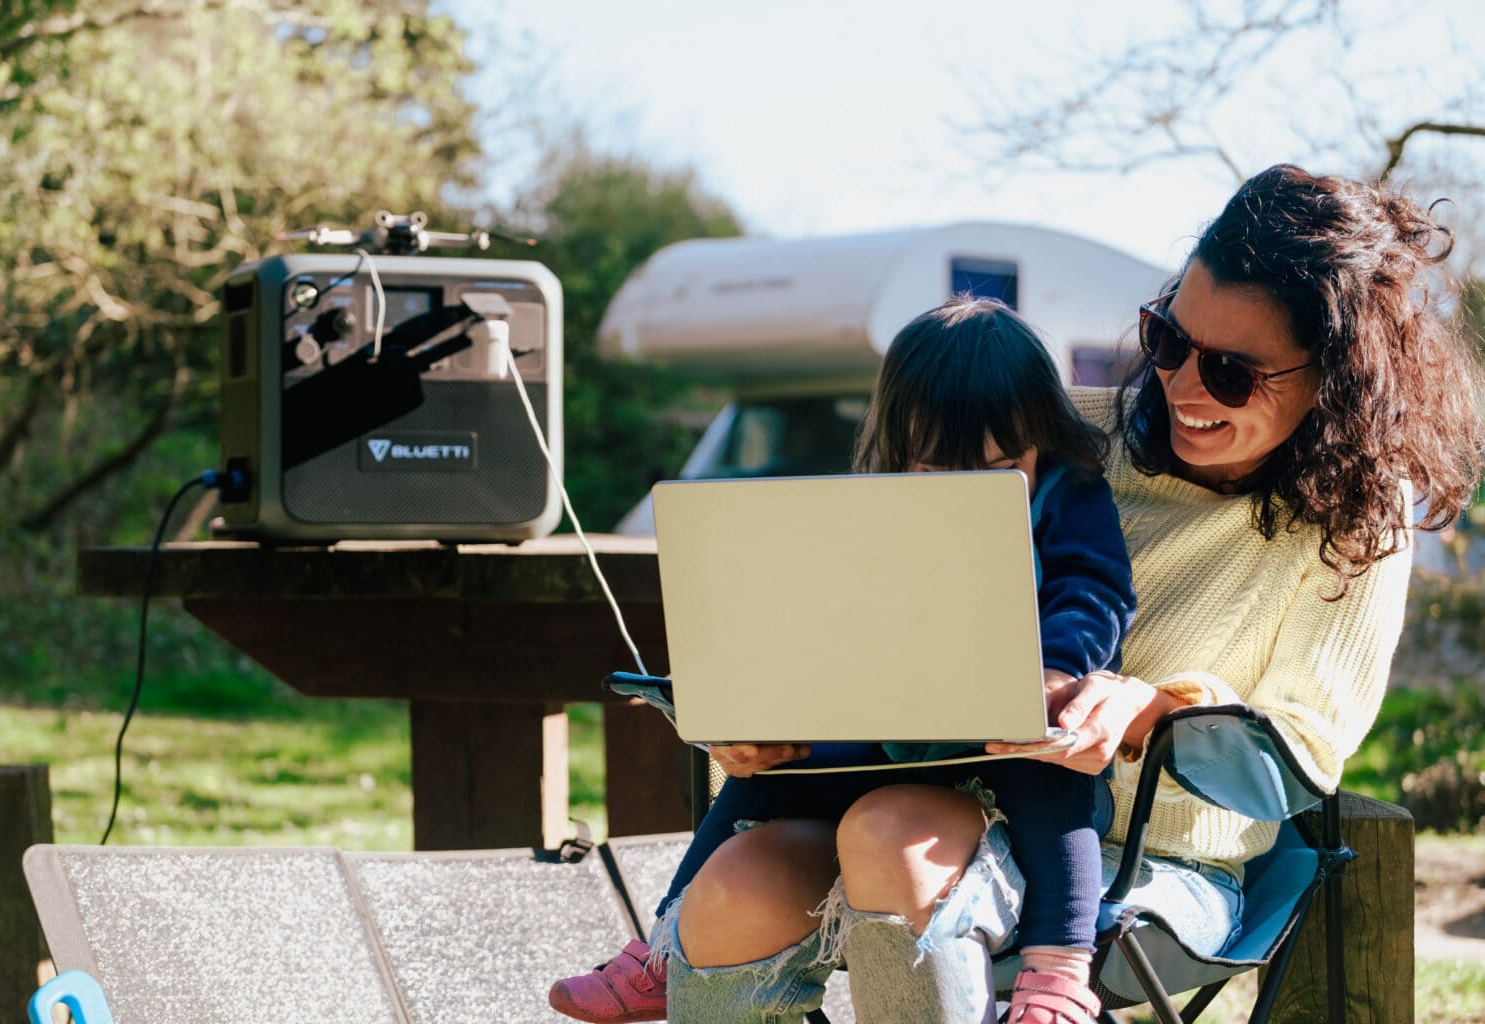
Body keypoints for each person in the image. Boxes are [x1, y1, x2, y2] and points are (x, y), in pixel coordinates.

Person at [648, 163, 1485, 1024]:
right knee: (737, 886)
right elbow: (884, 611)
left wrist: (1151, 710)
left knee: (890, 832)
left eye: (1233, 373)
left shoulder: (1354, 521)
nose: (1184, 387)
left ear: (1336, 378)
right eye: (1168, 341)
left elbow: (1297, 762)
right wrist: (782, 728)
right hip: (938, 793)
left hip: (1149, 868)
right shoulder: (1043, 436)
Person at [549, 297, 1136, 1023]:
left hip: (1004, 727)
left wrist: (1055, 668)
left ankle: (1059, 970)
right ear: (898, 447)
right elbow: (816, 609)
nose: (967, 487)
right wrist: (774, 696)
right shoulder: (868, 503)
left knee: (1055, 777)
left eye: (998, 465)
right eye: (935, 469)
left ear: (1040, 438)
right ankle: (662, 953)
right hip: (881, 723)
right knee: (764, 777)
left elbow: (1096, 589)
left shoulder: (1065, 495)